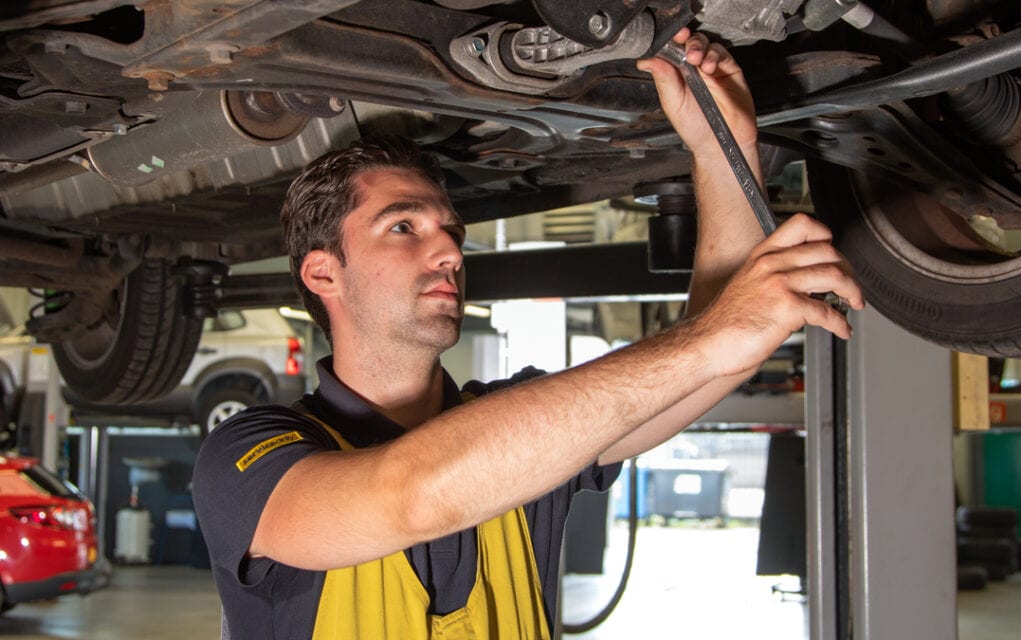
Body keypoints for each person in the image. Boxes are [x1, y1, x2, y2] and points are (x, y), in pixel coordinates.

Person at [192, 28, 864, 639]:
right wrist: (714, 335)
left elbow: (705, 367)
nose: (449, 251)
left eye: (451, 232)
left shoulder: (532, 430)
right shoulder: (248, 457)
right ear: (323, 273)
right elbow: (411, 496)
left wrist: (723, 144)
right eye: (403, 227)